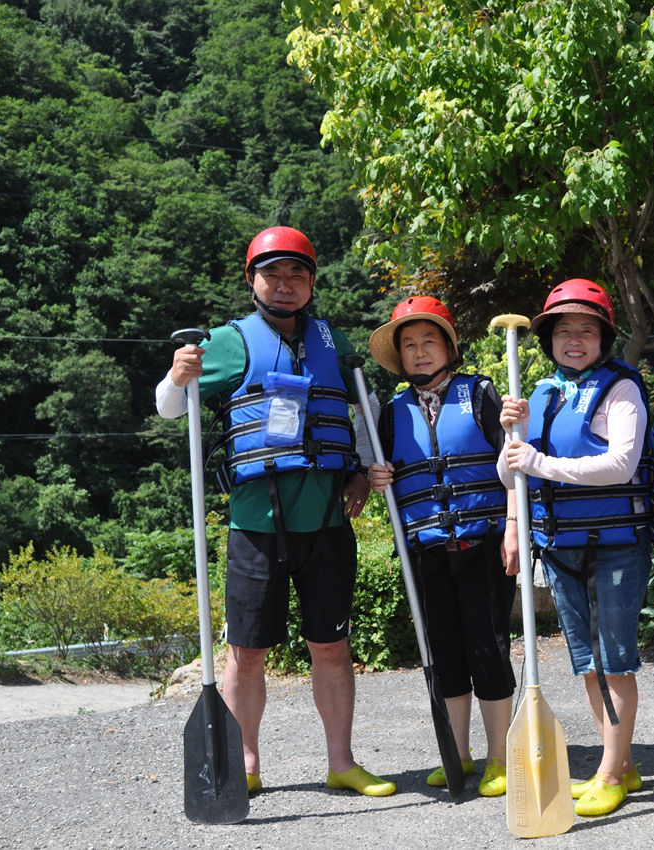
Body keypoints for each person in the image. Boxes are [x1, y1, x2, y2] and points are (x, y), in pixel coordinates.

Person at [155, 226, 394, 798]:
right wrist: (177, 375)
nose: (285, 284)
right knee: (247, 652)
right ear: (252, 280)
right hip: (256, 526)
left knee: (332, 647)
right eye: (272, 274)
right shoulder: (227, 341)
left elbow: (366, 409)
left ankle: (341, 762)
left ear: (311, 282)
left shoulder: (334, 341)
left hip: (328, 523)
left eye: (296, 274)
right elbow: (168, 408)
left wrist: (363, 469)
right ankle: (246, 765)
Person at [497, 280, 653, 818]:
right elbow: (510, 475)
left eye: (587, 330)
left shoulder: (621, 389)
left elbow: (621, 465)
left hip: (614, 545)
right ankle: (621, 763)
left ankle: (609, 773)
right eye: (564, 330)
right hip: (560, 545)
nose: (575, 340)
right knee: (588, 664)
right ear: (549, 340)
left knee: (615, 663)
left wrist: (538, 462)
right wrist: (511, 433)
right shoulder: (540, 393)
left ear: (603, 338)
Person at [365, 296, 519, 797]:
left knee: (487, 647)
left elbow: (515, 465)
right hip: (425, 550)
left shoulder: (480, 393)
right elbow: (383, 472)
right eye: (409, 344)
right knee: (445, 653)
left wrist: (514, 527)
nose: (419, 351)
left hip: (484, 543)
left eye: (428, 340)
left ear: (449, 347)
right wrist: (376, 476)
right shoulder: (391, 414)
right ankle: (458, 753)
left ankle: (499, 756)